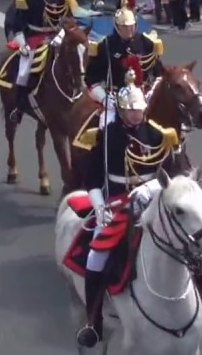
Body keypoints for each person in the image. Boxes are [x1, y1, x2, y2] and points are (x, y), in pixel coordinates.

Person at [73, 69, 180, 349]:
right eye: (131, 110)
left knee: (192, 242)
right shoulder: (107, 136)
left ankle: (201, 301)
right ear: (121, 111)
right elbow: (93, 179)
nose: (136, 114)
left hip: (153, 199)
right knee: (96, 255)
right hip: (117, 202)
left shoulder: (157, 135)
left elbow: (171, 173)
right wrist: (99, 207)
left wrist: (150, 189)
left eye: (139, 109)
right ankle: (94, 321)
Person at [7, 0, 77, 118]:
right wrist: (22, 44)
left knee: (76, 58)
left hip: (56, 36)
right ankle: (19, 106)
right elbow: (18, 25)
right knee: (24, 71)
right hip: (35, 37)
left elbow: (69, 21)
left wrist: (60, 36)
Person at [83, 0, 163, 128]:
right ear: (117, 26)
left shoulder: (146, 43)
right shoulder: (105, 45)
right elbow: (91, 79)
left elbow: (159, 74)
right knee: (105, 126)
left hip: (144, 97)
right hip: (115, 99)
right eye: (124, 27)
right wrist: (104, 99)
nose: (129, 30)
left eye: (131, 26)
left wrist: (151, 92)